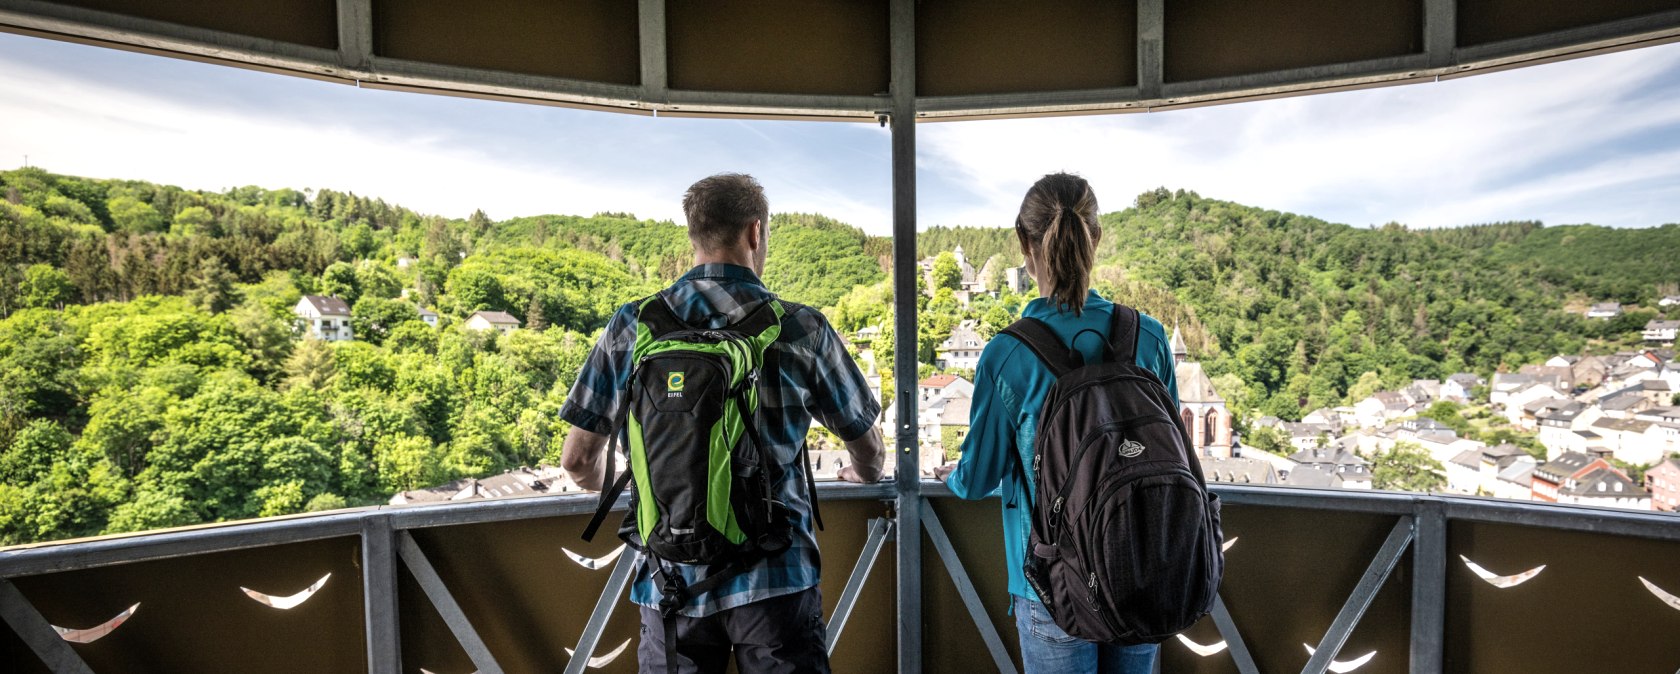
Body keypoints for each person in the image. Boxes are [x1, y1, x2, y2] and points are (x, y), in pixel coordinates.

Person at [559, 173, 885, 674]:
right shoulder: (802, 327)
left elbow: (578, 461)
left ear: (693, 233)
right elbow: (869, 448)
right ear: (755, 233)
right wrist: (861, 474)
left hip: (669, 579)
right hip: (777, 579)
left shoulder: (632, 324)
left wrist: (656, 491)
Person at [936, 173, 1179, 674]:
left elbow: (979, 476)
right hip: (1145, 570)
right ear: (1098, 236)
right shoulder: (1148, 338)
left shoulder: (1010, 354)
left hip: (1052, 584)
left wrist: (950, 476)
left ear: (1024, 243)